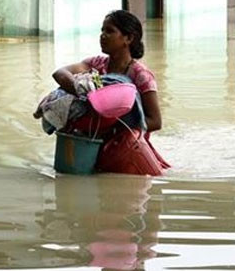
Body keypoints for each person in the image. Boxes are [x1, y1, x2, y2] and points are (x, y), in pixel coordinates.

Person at [51, 10, 170, 176]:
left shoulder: (141, 76)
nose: (102, 35)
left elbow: (156, 122)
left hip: (127, 149)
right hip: (92, 144)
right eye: (102, 30)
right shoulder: (95, 65)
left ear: (128, 39)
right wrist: (81, 91)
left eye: (110, 31)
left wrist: (111, 124)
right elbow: (60, 73)